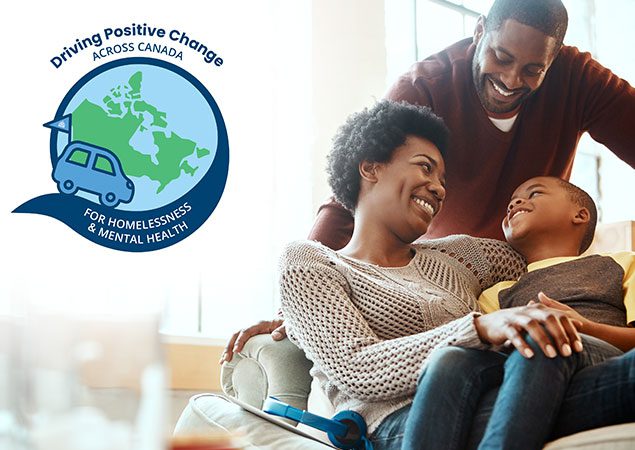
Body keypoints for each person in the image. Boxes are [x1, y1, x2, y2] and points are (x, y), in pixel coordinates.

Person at [221, 0, 635, 358]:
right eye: (502, 58)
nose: (511, 80)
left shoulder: (579, 79)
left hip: (530, 266)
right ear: (478, 32)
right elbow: (352, 199)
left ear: (555, 59)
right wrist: (297, 305)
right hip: (455, 277)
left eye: (532, 70)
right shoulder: (423, 88)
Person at [277, 100, 619, 450]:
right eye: (425, 168)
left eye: (442, 179)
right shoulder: (309, 261)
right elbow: (358, 369)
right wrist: (480, 328)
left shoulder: (461, 255)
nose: (439, 189)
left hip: (501, 387)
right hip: (394, 422)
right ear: (370, 168)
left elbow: (546, 252)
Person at [401, 177, 635, 449]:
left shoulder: (621, 263)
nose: (515, 203)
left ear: (579, 215)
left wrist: (583, 326)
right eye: (512, 201)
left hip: (599, 353)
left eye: (534, 193)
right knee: (449, 358)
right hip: (530, 372)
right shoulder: (497, 293)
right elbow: (486, 354)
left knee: (542, 333)